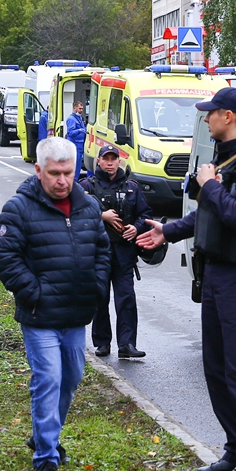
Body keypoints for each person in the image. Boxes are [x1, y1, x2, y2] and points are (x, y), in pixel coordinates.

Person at [137, 86, 236, 471]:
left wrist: (211, 185)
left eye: (210, 113)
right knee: (218, 371)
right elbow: (209, 217)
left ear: (228, 117)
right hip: (218, 276)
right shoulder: (228, 161)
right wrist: (166, 231)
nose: (205, 119)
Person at [0, 136, 109, 471]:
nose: (62, 181)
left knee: (71, 376)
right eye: (54, 173)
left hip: (76, 314)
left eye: (68, 173)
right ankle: (47, 454)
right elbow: (6, 259)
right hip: (40, 316)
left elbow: (103, 250)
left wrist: (96, 286)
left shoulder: (88, 207)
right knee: (49, 378)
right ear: (38, 170)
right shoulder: (18, 208)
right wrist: (36, 293)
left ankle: (43, 434)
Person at [81, 143, 152, 358]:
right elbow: (74, 212)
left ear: (119, 161)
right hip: (98, 251)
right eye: (106, 159)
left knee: (126, 299)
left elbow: (145, 214)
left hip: (124, 251)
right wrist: (101, 216)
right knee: (100, 298)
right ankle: (102, 343)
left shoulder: (131, 187)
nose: (110, 163)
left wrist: (136, 228)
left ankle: (127, 344)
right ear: (99, 161)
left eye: (114, 159)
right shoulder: (87, 186)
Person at [65, 101, 87, 177]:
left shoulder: (80, 118)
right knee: (74, 167)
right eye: (80, 108)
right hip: (74, 146)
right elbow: (70, 133)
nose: (81, 110)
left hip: (80, 146)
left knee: (78, 167)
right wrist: (80, 130)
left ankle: (75, 183)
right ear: (74, 108)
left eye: (82, 109)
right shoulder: (71, 119)